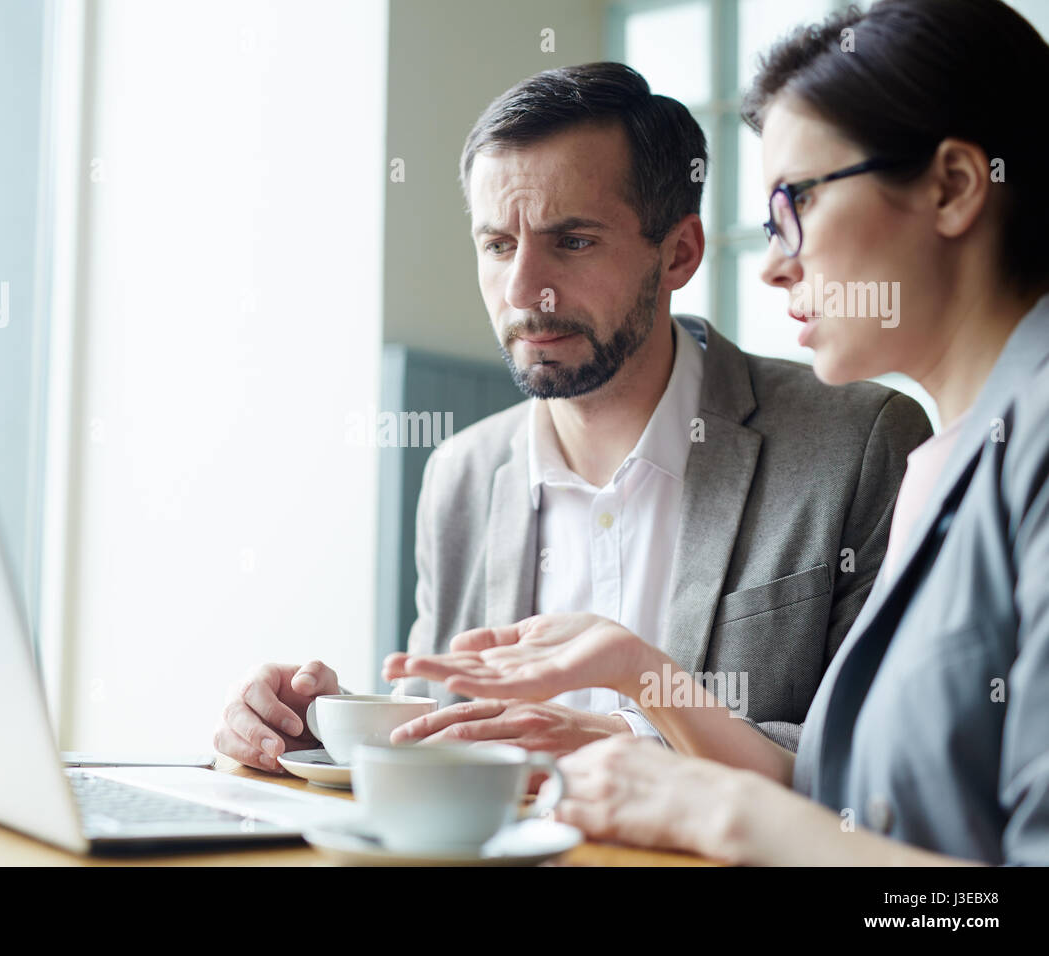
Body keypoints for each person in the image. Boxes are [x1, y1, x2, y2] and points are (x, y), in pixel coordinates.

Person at [385, 0, 1049, 865]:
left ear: (957, 186)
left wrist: (719, 811)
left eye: (797, 201)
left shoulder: (941, 441)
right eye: (496, 244)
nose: (774, 262)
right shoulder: (952, 459)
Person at [214, 62, 931, 773]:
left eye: (574, 241)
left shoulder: (861, 443)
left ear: (679, 252)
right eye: (498, 245)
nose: (525, 290)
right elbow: (436, 735)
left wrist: (631, 743)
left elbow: (882, 763)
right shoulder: (460, 477)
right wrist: (321, 732)